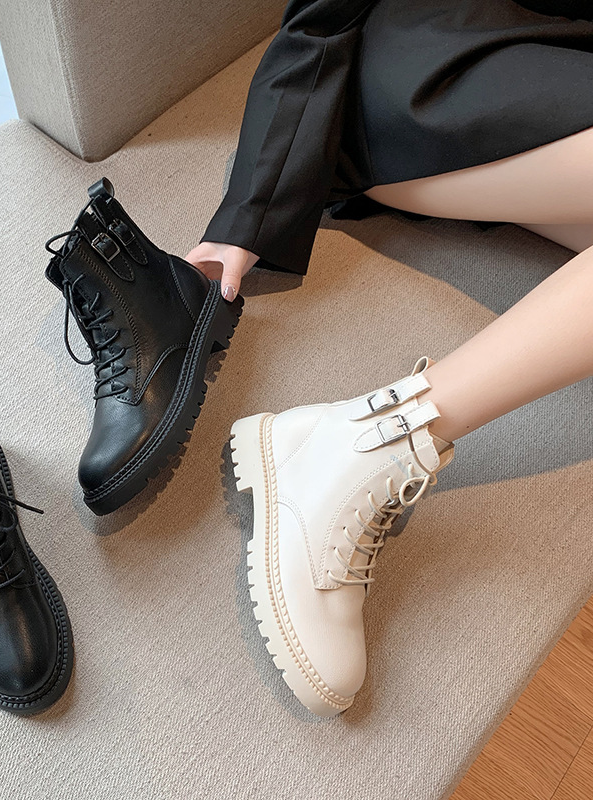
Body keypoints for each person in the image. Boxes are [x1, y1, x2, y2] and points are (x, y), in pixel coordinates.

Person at [181, 0, 593, 716]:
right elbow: (322, 12)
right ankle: (375, 442)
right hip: (433, 69)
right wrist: (251, 205)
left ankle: (345, 442)